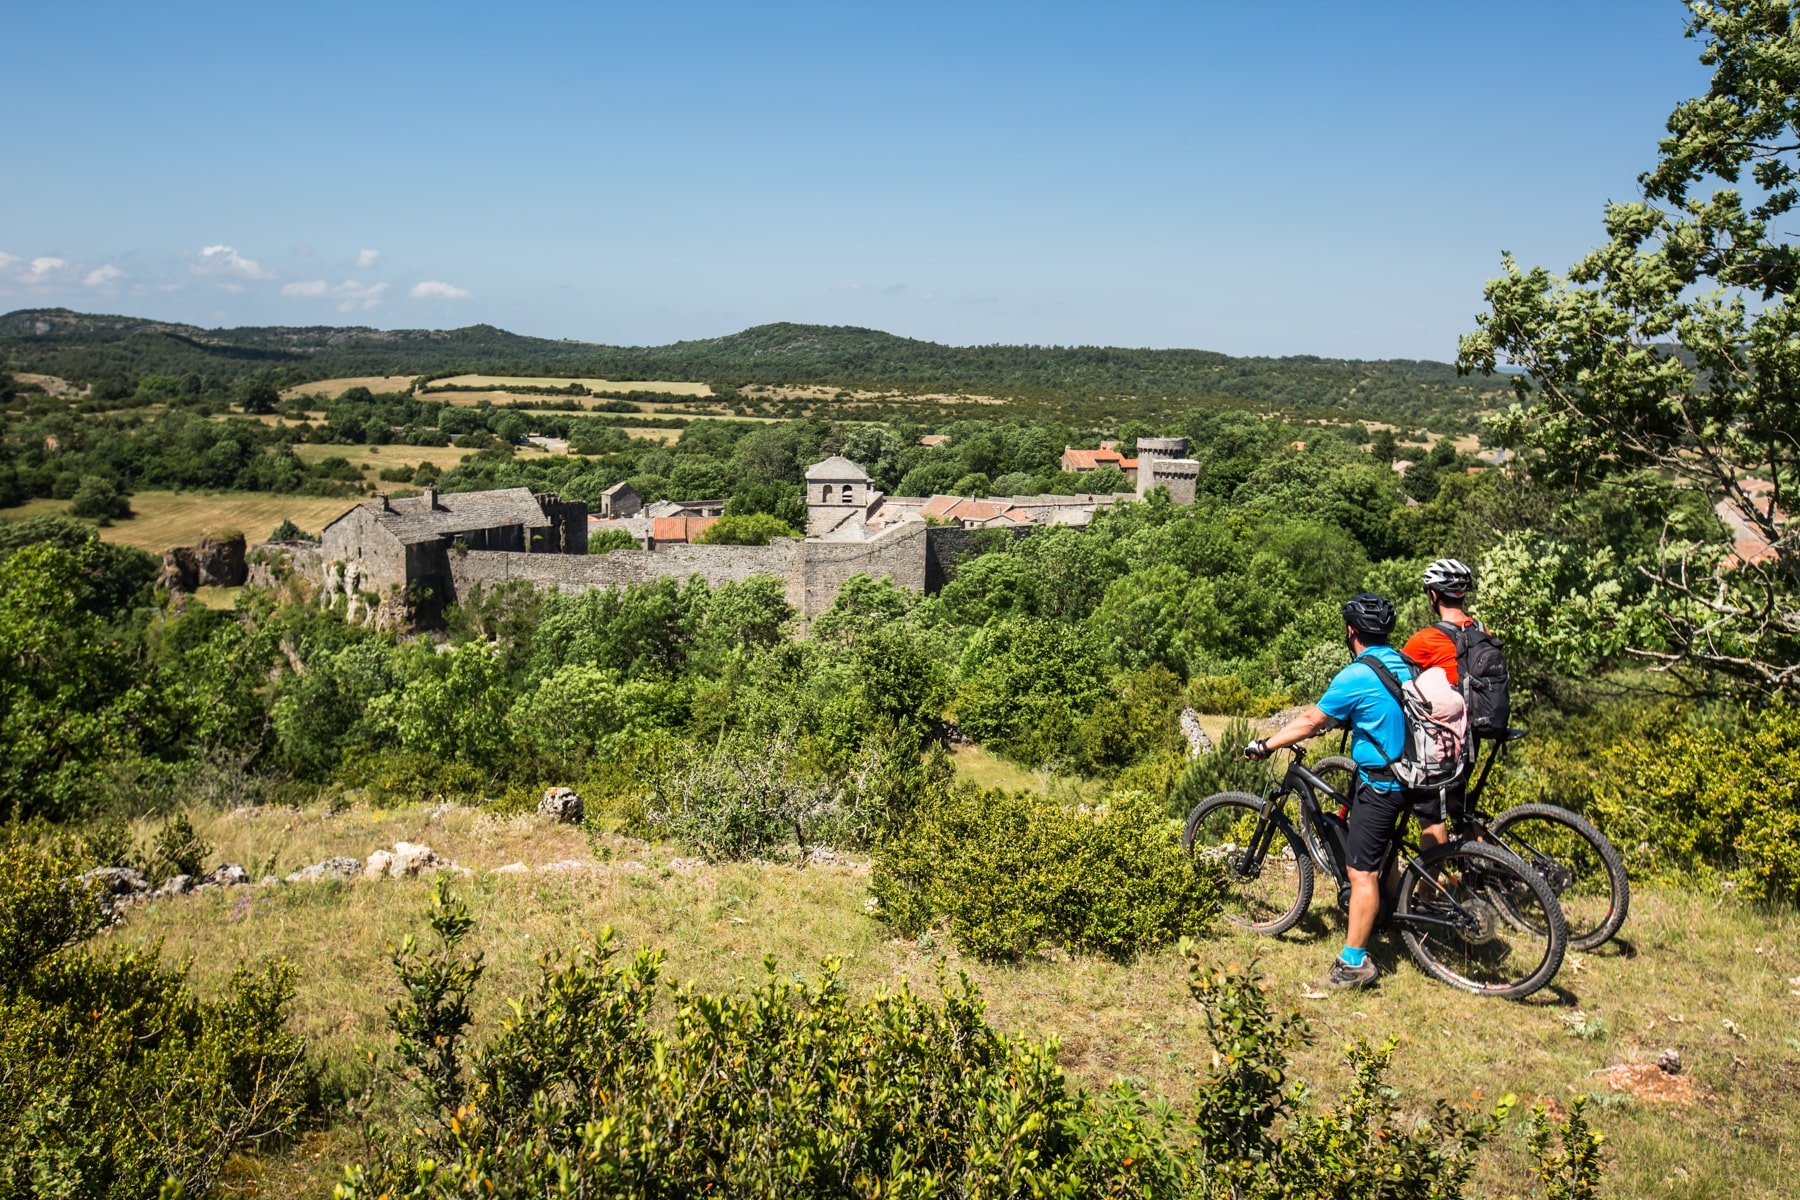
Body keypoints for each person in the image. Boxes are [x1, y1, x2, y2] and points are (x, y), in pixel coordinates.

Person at [1242, 593, 1411, 990]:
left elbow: (1310, 720)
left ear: (1351, 631)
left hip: (1382, 782)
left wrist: (1266, 745)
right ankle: (1387, 917)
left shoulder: (1355, 674)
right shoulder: (1402, 662)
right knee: (1385, 851)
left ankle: (1354, 964)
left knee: (1361, 871)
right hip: (1412, 775)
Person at [1401, 558, 1480, 853]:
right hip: (1477, 732)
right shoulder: (1482, 631)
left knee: (1432, 818)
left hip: (1446, 740)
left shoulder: (1426, 639)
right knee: (1460, 810)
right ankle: (1483, 869)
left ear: (1433, 596)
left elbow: (1398, 680)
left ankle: (1428, 894)